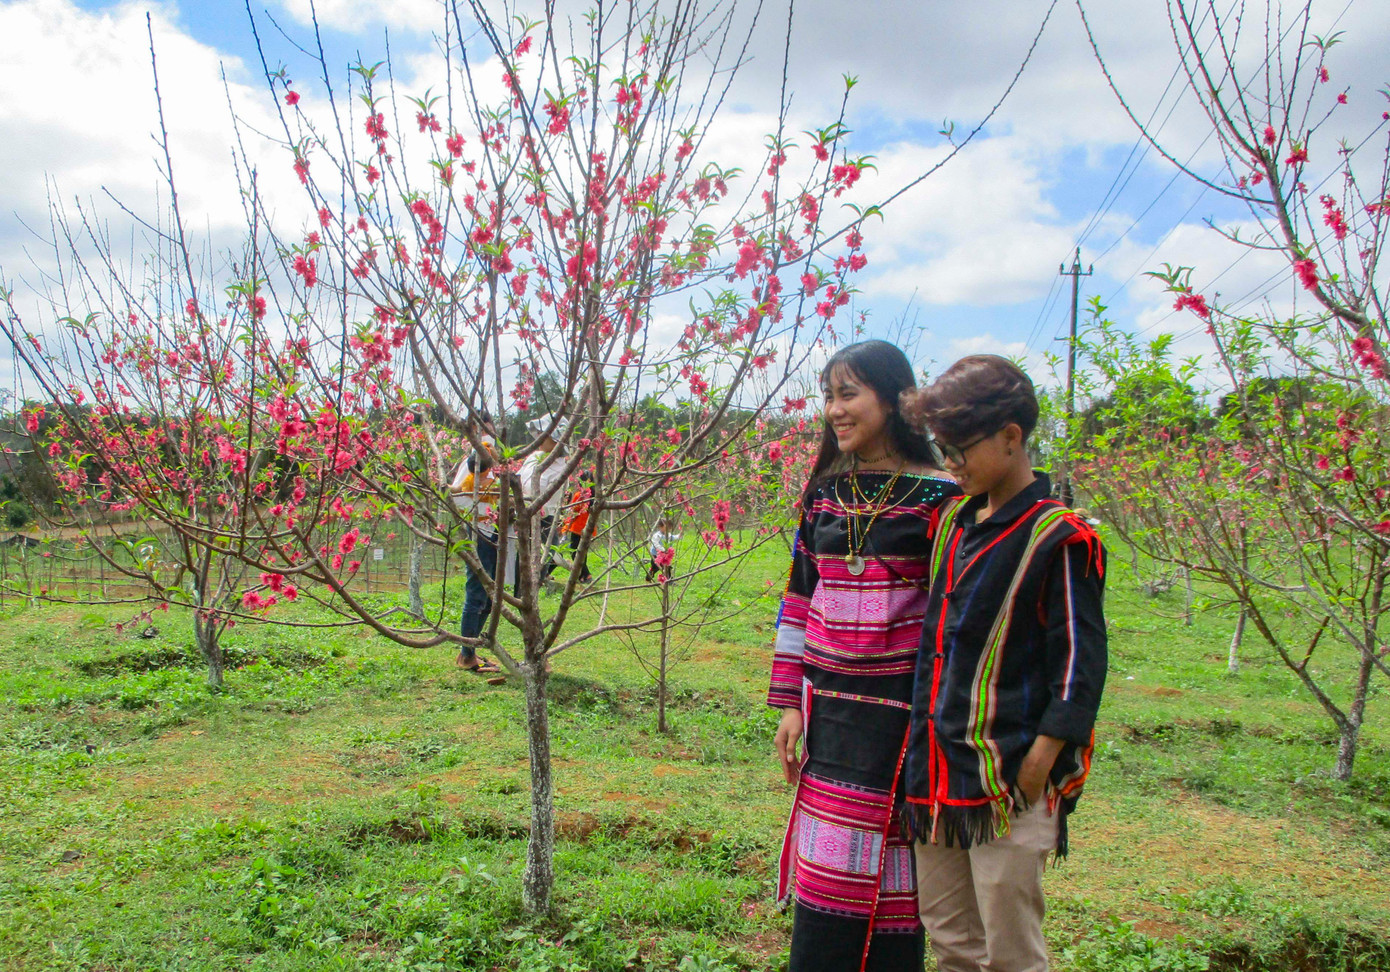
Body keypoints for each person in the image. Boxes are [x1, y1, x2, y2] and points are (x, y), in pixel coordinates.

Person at [899, 355, 1108, 972]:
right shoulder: (952, 524)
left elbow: (1078, 661)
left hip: (1009, 779)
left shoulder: (1059, 538)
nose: (951, 465)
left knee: (1011, 946)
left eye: (960, 450)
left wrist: (1040, 761)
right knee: (950, 936)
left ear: (1012, 438)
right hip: (937, 774)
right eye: (943, 450)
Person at [767, 340, 962, 972]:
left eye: (848, 394)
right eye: (828, 396)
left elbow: (950, 619)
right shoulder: (823, 493)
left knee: (897, 874)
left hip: (900, 718)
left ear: (895, 399)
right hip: (828, 712)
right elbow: (799, 597)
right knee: (827, 874)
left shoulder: (941, 498)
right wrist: (790, 701)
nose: (834, 411)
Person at [452, 412, 503, 674]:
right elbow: (456, 496)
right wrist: (480, 506)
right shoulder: (470, 466)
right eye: (484, 432)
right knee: (477, 593)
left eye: (490, 432)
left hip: (491, 535)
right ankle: (466, 654)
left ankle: (470, 649)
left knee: (490, 595)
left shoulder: (492, 468)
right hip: (477, 535)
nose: (489, 438)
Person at [561, 477, 594, 583]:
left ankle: (586, 574)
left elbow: (573, 512)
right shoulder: (594, 497)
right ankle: (582, 575)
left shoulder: (579, 495)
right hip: (589, 529)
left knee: (575, 552)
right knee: (583, 552)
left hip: (578, 529)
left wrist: (566, 527)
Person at [645, 515, 680, 582]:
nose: (668, 528)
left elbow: (673, 537)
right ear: (660, 527)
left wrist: (680, 535)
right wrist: (663, 549)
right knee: (655, 568)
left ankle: (669, 581)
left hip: (665, 555)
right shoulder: (657, 535)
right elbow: (655, 544)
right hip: (656, 555)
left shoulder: (668, 534)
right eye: (666, 526)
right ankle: (648, 578)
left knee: (667, 567)